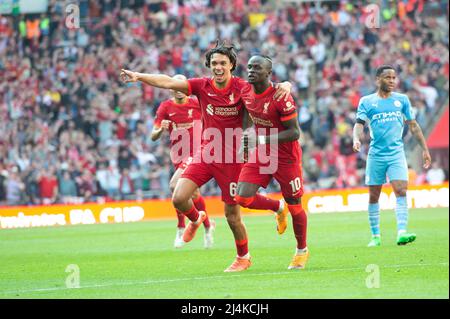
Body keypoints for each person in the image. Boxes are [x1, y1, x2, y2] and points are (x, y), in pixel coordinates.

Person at [120, 41, 290, 272]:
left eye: (222, 63)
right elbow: (169, 81)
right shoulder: (201, 86)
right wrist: (138, 76)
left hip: (232, 158)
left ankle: (244, 256)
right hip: (206, 153)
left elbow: (271, 88)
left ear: (231, 65)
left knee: (232, 215)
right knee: (178, 197)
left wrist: (287, 84)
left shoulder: (243, 87)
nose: (218, 67)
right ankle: (195, 218)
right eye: (213, 63)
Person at [236, 55, 309, 270]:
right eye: (249, 67)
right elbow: (249, 114)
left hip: (286, 157)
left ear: (268, 73)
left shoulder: (281, 96)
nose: (250, 71)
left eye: (256, 68)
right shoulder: (245, 91)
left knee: (295, 207)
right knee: (242, 197)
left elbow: (294, 133)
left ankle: (301, 251)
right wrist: (247, 141)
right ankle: (277, 207)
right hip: (263, 153)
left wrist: (260, 139)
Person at [353, 65, 432, 247]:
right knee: (374, 195)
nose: (392, 81)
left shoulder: (402, 100)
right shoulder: (366, 101)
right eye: (388, 77)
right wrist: (356, 138)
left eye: (394, 78)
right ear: (377, 80)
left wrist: (424, 149)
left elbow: (413, 126)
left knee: (401, 190)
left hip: (396, 153)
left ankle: (402, 232)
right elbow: (359, 124)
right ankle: (376, 236)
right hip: (376, 154)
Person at [151, 74, 215, 249]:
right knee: (192, 195)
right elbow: (153, 135)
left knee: (174, 186)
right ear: (171, 88)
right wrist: (160, 130)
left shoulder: (197, 103)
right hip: (178, 156)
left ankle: (181, 227)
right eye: (175, 87)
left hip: (197, 153)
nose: (178, 91)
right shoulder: (165, 107)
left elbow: (212, 117)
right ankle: (208, 227)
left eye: (182, 87)